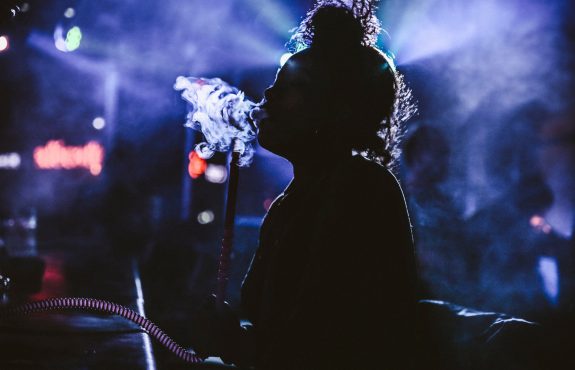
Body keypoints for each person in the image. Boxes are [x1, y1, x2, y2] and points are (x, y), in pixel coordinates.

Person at [191, 2, 417, 369]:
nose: (269, 95)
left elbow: (324, 347)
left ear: (337, 109)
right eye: (276, 83)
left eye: (292, 87)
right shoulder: (295, 200)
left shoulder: (359, 191)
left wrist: (235, 343)